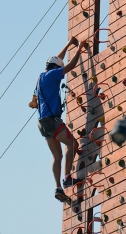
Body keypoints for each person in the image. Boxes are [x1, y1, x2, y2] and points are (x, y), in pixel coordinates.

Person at [30, 36, 86, 203]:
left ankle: (58, 187)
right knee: (70, 143)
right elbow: (69, 66)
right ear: (55, 68)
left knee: (57, 156)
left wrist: (69, 44)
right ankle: (67, 177)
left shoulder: (41, 77)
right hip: (52, 121)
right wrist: (79, 49)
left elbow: (58, 59)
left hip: (42, 124)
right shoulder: (53, 74)